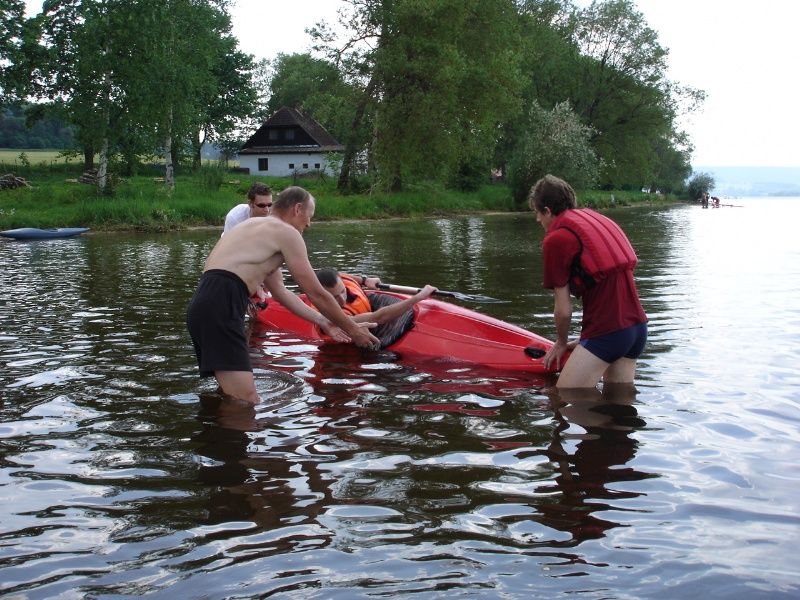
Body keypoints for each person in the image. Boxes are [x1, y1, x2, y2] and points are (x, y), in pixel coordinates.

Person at [187, 186, 380, 404]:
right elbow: (316, 292)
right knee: (247, 401)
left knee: (231, 395)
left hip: (203, 304)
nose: (309, 223)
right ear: (298, 209)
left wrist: (323, 321)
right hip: (223, 302)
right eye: (310, 216)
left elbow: (279, 291)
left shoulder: (253, 226)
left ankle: (216, 434)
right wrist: (353, 330)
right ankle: (232, 434)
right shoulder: (287, 232)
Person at [529, 174, 647, 388]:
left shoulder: (557, 239)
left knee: (564, 398)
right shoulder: (597, 220)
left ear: (547, 210)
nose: (538, 220)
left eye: (537, 213)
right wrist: (586, 340)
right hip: (637, 329)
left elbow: (563, 309)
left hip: (608, 333)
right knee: (619, 407)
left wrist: (562, 342)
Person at [315, 268, 437, 347]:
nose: (342, 300)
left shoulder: (340, 279)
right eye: (334, 297)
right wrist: (418, 297)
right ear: (322, 296)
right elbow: (379, 317)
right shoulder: (333, 317)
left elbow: (343, 275)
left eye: (343, 291)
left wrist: (365, 280)